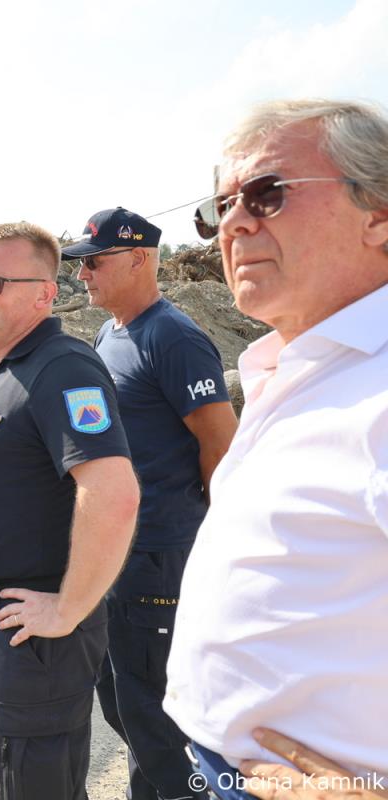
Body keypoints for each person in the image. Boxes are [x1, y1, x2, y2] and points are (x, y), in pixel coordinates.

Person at [163, 99, 388, 799]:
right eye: (222, 204)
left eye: (267, 193)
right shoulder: (295, 367)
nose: (234, 223)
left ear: (379, 215)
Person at [0, 222, 140, 800]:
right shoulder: (10, 366)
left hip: (36, 632)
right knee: (16, 774)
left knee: (39, 782)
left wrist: (69, 607)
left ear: (44, 294)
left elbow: (114, 492)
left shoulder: (63, 368)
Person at [61, 207, 238, 800]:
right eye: (80, 264)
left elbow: (221, 445)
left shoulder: (174, 337)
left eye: (94, 262)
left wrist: (213, 542)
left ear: (139, 258)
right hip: (117, 547)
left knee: (157, 715)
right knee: (123, 701)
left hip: (161, 551)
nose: (82, 274)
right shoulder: (110, 335)